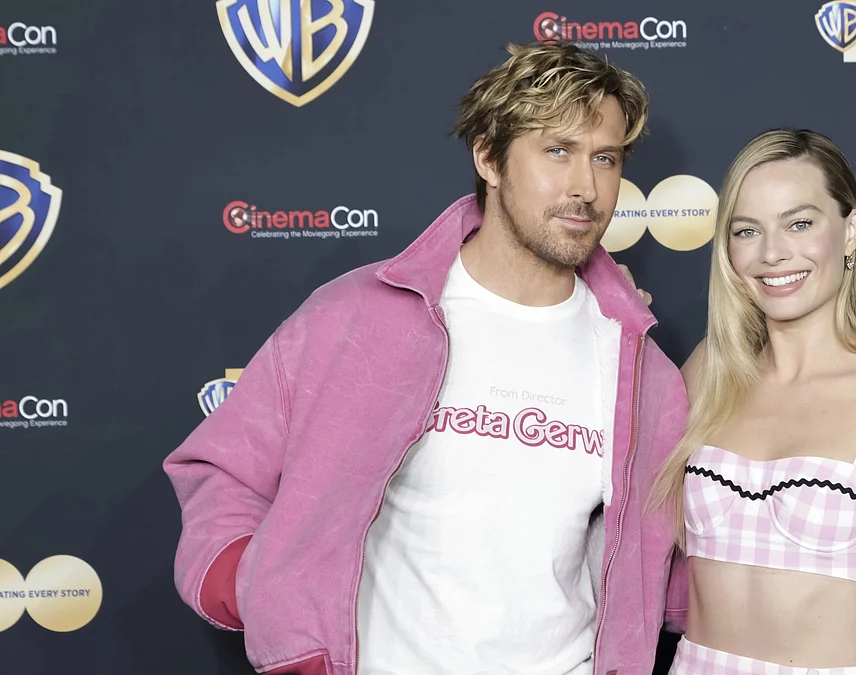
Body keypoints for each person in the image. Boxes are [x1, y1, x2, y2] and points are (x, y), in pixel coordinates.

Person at [163, 42, 688, 675]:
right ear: (489, 157)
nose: (585, 187)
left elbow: (668, 564)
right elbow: (221, 470)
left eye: (604, 158)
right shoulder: (358, 316)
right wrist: (270, 599)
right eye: (557, 150)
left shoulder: (642, 371)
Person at [647, 129, 856, 675]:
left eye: (799, 223)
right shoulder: (711, 370)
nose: (773, 253)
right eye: (747, 230)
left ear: (850, 232)